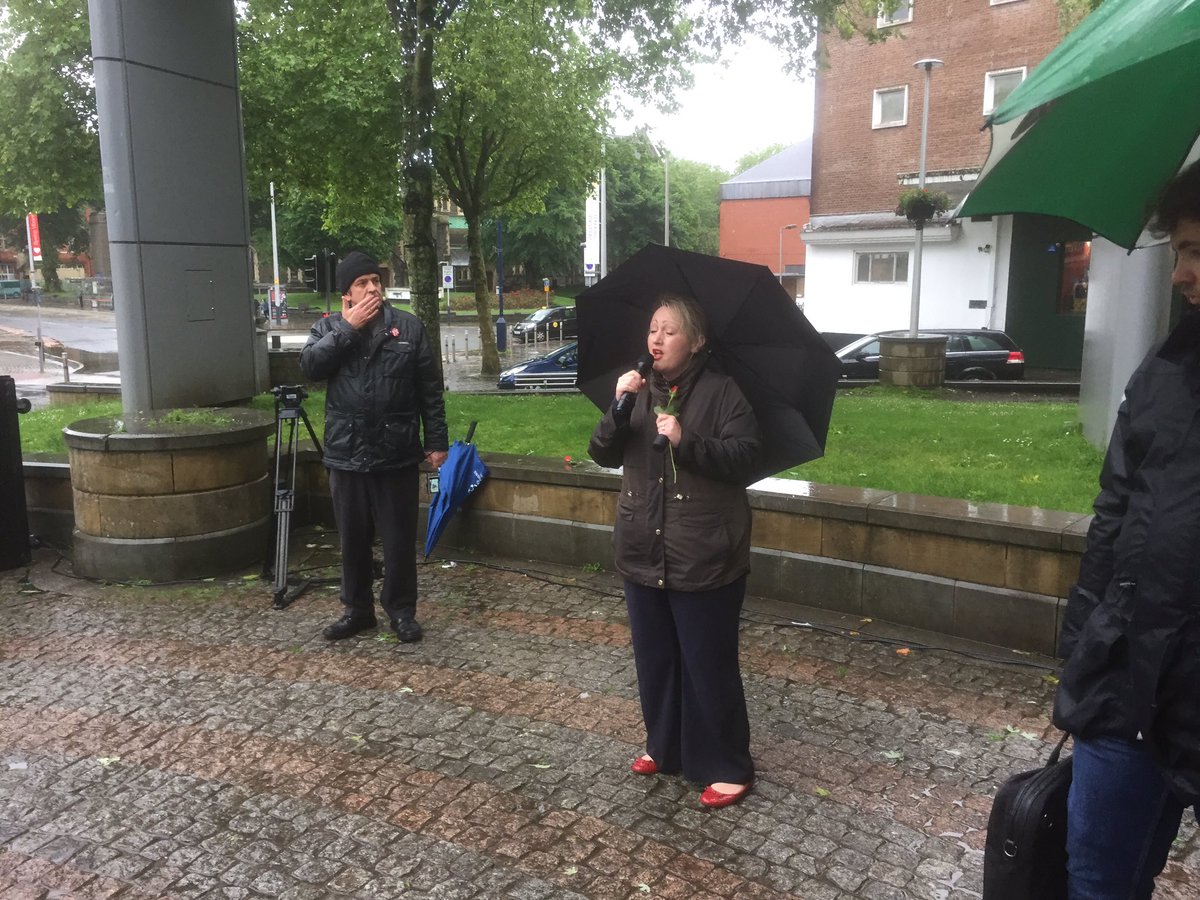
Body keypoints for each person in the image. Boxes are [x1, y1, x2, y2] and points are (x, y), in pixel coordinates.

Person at [1054, 160, 1200, 899]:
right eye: (1178, 251)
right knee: (1097, 880)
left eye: (1196, 251)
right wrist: (1085, 645)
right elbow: (1113, 515)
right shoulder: (1166, 367)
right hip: (1127, 684)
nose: (1181, 274)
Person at [587, 292, 761, 809]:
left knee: (707, 664)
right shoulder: (638, 390)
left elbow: (746, 457)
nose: (656, 339)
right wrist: (619, 406)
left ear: (697, 340)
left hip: (703, 551)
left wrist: (688, 441)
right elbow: (601, 453)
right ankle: (665, 746)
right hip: (643, 545)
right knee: (656, 659)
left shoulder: (723, 392)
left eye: (670, 330)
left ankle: (728, 764)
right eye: (652, 329)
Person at [300, 251, 448, 643]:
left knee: (398, 540)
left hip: (396, 452)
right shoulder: (327, 328)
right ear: (346, 294)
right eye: (362, 283)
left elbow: (430, 389)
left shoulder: (408, 327)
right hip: (346, 453)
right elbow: (311, 367)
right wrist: (347, 329)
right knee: (353, 539)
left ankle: (401, 611)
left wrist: (436, 441)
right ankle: (357, 610)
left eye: (376, 281)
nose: (372, 289)